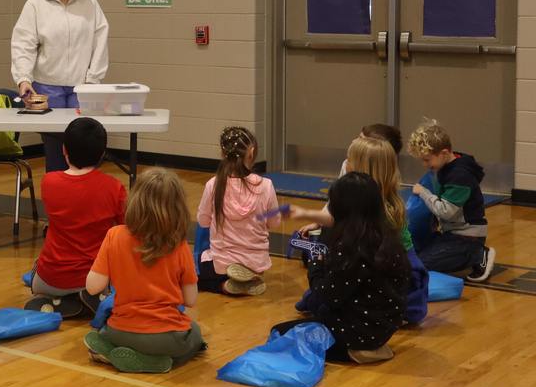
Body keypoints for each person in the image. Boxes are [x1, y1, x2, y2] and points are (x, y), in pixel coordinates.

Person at [271, 172, 410, 364]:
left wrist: (315, 262)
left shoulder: (354, 249)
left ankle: (355, 352)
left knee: (280, 333)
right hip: (384, 327)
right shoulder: (386, 236)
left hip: (358, 331)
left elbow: (325, 295)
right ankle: (368, 348)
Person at [291, 135, 428, 323]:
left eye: (350, 160)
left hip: (387, 273)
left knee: (322, 297)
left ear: (362, 170)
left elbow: (352, 244)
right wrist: (310, 216)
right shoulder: (387, 201)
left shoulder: (378, 210)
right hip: (388, 269)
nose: (345, 164)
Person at [82, 168, 204, 374]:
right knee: (196, 335)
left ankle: (111, 348)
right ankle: (157, 361)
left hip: (119, 330)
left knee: (106, 330)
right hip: (164, 337)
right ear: (177, 208)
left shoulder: (114, 235)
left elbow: (92, 287)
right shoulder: (179, 245)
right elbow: (190, 300)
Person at [11, 0, 109, 173]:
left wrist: (93, 80)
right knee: (55, 150)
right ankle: (56, 202)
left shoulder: (90, 3)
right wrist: (23, 79)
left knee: (83, 150)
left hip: (82, 88)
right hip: (48, 88)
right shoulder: (35, 5)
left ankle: (83, 203)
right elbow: (23, 45)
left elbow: (100, 41)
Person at [26, 117, 126, 317]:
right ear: (102, 154)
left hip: (50, 280)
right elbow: (127, 230)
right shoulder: (114, 188)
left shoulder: (49, 182)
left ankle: (58, 302)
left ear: (64, 150)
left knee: (38, 266)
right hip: (95, 279)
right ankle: (90, 298)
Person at [408, 118, 495, 282]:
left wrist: (424, 193)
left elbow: (446, 212)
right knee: (418, 257)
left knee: (419, 265)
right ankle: (459, 257)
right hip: (452, 234)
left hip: (467, 238)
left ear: (444, 153)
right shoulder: (446, 167)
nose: (424, 164)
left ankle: (478, 255)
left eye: (427, 159)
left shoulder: (460, 176)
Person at [195, 126, 279, 296]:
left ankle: (225, 286)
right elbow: (274, 223)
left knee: (196, 274)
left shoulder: (214, 184)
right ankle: (249, 278)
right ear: (252, 152)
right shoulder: (266, 186)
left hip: (221, 263)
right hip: (256, 262)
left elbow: (202, 221)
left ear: (223, 154)